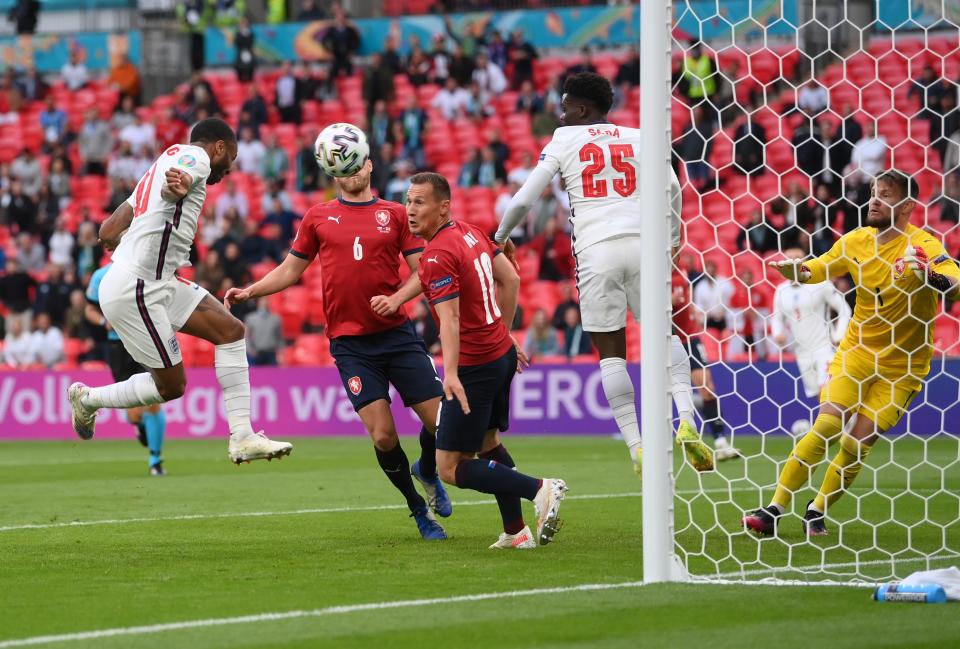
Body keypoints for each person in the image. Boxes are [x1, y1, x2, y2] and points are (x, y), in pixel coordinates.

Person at [224, 148, 451, 541]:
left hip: (397, 337)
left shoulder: (396, 215)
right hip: (351, 346)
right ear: (334, 174)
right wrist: (252, 290)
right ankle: (418, 509)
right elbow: (291, 269)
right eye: (341, 170)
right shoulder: (318, 217)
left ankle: (428, 469)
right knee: (383, 436)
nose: (351, 174)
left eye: (356, 165)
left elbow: (423, 272)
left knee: (440, 424)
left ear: (369, 165)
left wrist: (398, 299)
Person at [495, 72, 713, 476]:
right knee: (663, 336)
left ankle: (636, 445)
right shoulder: (641, 135)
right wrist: (672, 238)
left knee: (612, 352)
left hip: (597, 251)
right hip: (646, 244)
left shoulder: (564, 140)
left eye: (565, 109)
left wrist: (500, 236)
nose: (560, 117)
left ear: (582, 109)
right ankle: (686, 419)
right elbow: (672, 187)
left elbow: (526, 197)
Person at [744, 170, 960, 537]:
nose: (874, 200)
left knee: (856, 442)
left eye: (886, 195)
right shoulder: (855, 241)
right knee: (827, 424)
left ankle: (817, 509)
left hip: (903, 368)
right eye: (874, 193)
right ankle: (774, 508)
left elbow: (954, 286)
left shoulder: (924, 245)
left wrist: (930, 276)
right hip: (856, 353)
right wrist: (796, 269)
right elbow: (819, 267)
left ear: (907, 206)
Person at [66, 118, 293, 465]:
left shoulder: (159, 163)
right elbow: (182, 177)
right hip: (137, 287)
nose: (228, 169)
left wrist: (121, 232)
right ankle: (88, 399)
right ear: (219, 146)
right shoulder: (195, 158)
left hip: (158, 281)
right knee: (172, 387)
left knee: (232, 332)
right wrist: (178, 188)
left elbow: (109, 227)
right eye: (229, 159)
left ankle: (243, 437)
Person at [409, 171, 567, 549]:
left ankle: (540, 489)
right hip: (500, 353)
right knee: (488, 442)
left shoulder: (436, 255)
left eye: (419, 202)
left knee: (449, 467)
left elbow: (450, 318)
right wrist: (506, 333)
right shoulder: (471, 231)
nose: (410, 210)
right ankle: (516, 531)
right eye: (409, 201)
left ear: (443, 206)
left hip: (474, 365)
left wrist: (449, 373)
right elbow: (511, 279)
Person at [86, 262, 168, 475]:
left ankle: (155, 460)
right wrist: (105, 322)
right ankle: (140, 427)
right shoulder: (101, 275)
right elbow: (89, 309)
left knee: (154, 399)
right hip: (118, 347)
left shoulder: (146, 270)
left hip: (144, 340)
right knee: (134, 413)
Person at [771, 247, 851, 437]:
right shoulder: (781, 291)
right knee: (817, 393)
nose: (791, 263)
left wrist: (839, 334)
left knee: (827, 390)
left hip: (824, 346)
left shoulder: (820, 284)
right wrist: (778, 333)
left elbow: (844, 309)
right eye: (788, 260)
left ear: (804, 261)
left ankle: (843, 430)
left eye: (796, 259)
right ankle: (840, 427)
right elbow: (776, 317)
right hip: (801, 351)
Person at [672, 263, 740, 461]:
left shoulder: (683, 271)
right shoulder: (652, 272)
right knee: (671, 390)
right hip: (667, 339)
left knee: (707, 386)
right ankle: (691, 410)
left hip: (690, 337)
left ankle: (720, 443)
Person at [244, 298, 282, 366]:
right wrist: (250, 350)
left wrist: (281, 353)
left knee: (274, 375)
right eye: (262, 303)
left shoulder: (276, 319)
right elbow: (247, 336)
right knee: (256, 375)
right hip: (256, 353)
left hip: (271, 353)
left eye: (266, 303)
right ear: (258, 304)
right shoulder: (250, 318)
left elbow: (279, 337)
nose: (264, 305)